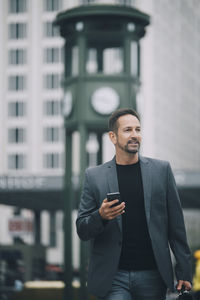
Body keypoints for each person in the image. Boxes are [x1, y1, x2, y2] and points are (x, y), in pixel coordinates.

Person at [76, 108, 192, 300]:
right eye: (128, 130)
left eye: (138, 130)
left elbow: (176, 227)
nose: (135, 135)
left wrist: (184, 271)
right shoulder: (94, 177)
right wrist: (101, 216)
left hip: (153, 275)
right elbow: (82, 229)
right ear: (113, 137)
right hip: (113, 277)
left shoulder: (161, 171)